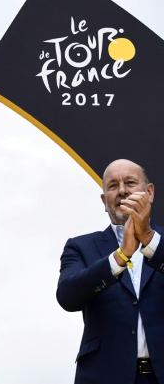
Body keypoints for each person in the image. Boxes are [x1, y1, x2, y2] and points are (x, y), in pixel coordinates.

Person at [57, 159, 164, 383]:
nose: (122, 191)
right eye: (113, 186)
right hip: (104, 375)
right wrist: (119, 257)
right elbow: (67, 296)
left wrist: (148, 239)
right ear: (105, 201)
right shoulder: (80, 246)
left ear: (150, 192)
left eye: (130, 183)